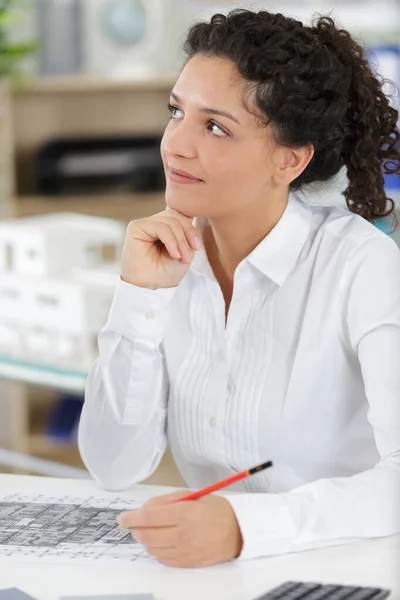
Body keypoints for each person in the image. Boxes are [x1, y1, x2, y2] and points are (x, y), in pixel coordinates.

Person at [78, 9, 400, 568]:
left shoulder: (362, 267)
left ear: (289, 160)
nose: (175, 145)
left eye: (215, 127)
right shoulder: (167, 259)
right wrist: (140, 299)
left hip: (347, 571)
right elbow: (114, 465)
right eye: (176, 112)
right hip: (216, 577)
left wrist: (244, 528)